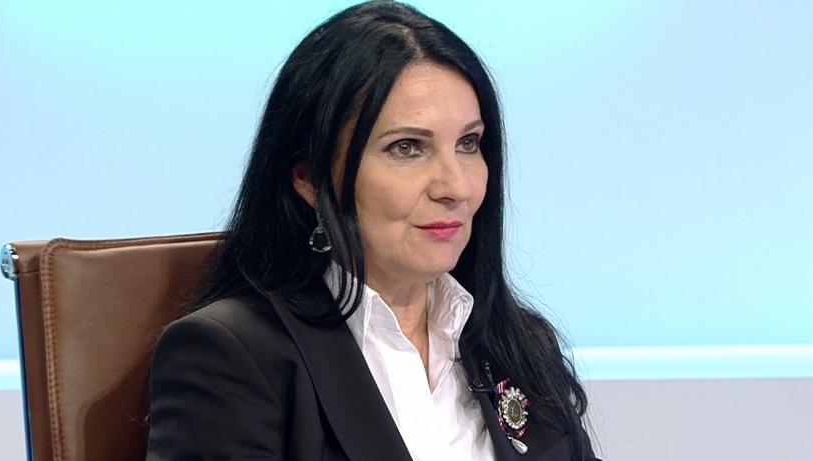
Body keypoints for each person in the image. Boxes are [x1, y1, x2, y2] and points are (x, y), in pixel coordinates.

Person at [145, 1, 599, 460]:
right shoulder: (231, 357)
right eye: (407, 148)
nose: (456, 187)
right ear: (310, 179)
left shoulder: (518, 342)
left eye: (468, 143)